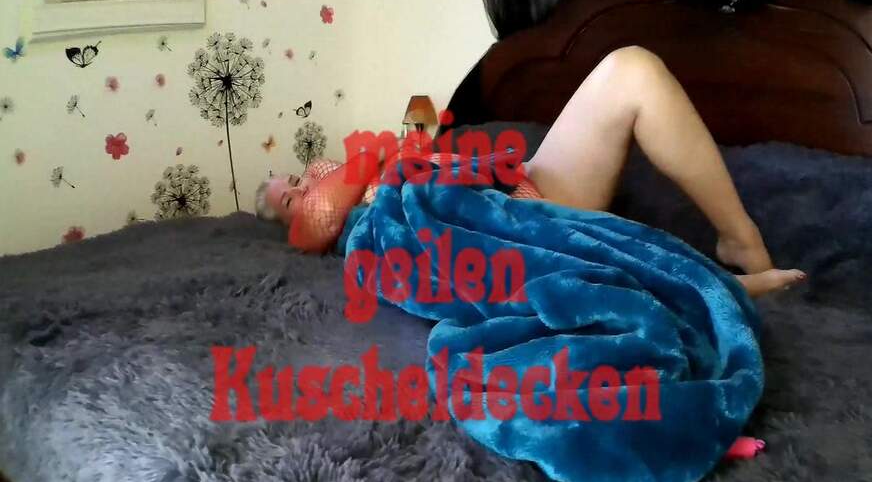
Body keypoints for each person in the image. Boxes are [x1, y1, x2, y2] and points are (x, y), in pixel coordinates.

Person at [255, 46, 805, 297]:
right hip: (501, 229)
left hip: (527, 184)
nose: (301, 185)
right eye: (287, 197)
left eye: (296, 177)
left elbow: (413, 146)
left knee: (631, 69)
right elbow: (319, 220)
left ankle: (741, 239)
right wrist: (375, 154)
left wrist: (384, 152)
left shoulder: (346, 172)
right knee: (560, 259)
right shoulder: (327, 220)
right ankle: (714, 289)